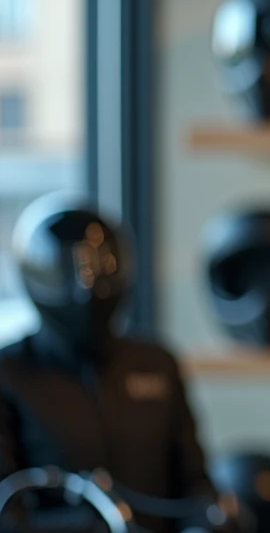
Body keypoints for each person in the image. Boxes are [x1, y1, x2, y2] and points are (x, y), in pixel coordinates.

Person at [0, 194, 221, 533]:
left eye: (101, 270)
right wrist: (95, 527)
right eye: (71, 274)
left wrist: (208, 522)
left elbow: (195, 486)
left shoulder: (156, 363)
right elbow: (6, 514)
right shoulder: (10, 372)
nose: (87, 290)